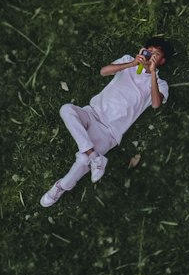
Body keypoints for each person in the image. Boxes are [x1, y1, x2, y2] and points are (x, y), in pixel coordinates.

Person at [40, 37, 173, 207]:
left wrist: (153, 72)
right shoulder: (127, 61)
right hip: (92, 113)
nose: (151, 55)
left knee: (82, 161)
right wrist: (132, 63)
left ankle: (62, 186)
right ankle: (95, 157)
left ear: (161, 61)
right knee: (66, 109)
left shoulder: (161, 83)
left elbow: (156, 104)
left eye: (156, 54)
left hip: (109, 132)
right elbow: (104, 71)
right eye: (150, 51)